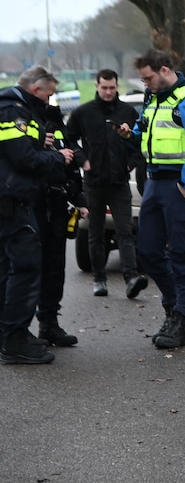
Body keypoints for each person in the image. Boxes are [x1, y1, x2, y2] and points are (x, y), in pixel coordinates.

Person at [117, 50, 185, 349]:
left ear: (164, 69)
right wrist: (129, 135)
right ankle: (176, 303)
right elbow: (144, 133)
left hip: (177, 186)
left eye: (148, 78)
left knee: (181, 253)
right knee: (147, 252)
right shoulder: (153, 99)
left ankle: (181, 318)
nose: (145, 84)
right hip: (153, 184)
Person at [0, 66, 73, 364]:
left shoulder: (17, 110)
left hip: (12, 197)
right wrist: (57, 156)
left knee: (8, 268)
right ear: (35, 90)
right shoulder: (12, 112)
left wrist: (39, 143)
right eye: (48, 95)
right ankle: (14, 339)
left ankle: (11, 334)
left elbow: (19, 148)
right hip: (12, 200)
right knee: (27, 267)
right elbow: (23, 158)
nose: (49, 102)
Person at [66, 69, 145, 298]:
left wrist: (131, 163)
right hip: (94, 182)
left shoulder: (128, 112)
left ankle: (131, 278)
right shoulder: (83, 113)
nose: (108, 92)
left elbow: (139, 142)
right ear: (97, 86)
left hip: (119, 181)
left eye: (112, 88)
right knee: (96, 232)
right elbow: (69, 137)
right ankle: (99, 279)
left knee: (124, 231)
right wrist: (82, 160)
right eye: (104, 88)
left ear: (117, 86)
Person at [35, 104, 88, 347]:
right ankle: (15, 331)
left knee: (55, 269)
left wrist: (80, 200)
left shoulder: (57, 126)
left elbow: (72, 168)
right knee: (25, 270)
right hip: (30, 207)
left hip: (56, 206)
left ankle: (49, 325)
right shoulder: (19, 119)